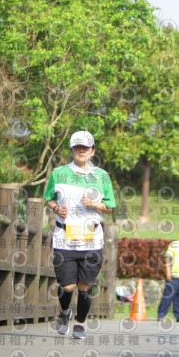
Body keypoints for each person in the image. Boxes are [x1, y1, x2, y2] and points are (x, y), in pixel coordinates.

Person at [44, 130, 116, 339]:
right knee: (67, 286)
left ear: (92, 151)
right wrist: (57, 209)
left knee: (85, 286)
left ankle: (80, 324)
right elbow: (49, 198)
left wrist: (94, 204)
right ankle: (65, 312)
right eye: (77, 147)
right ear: (72, 150)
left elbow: (109, 205)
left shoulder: (101, 176)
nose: (81, 151)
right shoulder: (59, 173)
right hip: (64, 238)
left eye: (85, 148)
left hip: (91, 239)